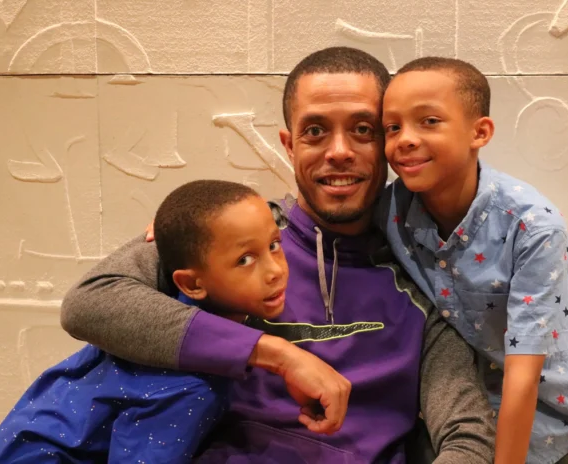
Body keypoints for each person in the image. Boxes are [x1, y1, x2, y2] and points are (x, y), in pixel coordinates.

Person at [59, 47, 496, 463]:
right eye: (315, 131)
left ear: (388, 142)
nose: (339, 151)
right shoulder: (226, 236)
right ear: (290, 145)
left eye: (363, 130)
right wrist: (275, 353)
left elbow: (468, 435)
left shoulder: (426, 271)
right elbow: (90, 301)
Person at [379, 56, 568, 463]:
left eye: (428, 121)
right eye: (392, 127)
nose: (405, 139)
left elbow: (523, 377)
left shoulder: (533, 226)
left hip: (559, 423)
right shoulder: (391, 210)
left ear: (479, 132)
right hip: (467, 423)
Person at [0, 180, 290, 464]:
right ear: (192, 284)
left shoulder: (154, 309)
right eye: (245, 260)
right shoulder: (192, 386)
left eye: (274, 245)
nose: (275, 270)